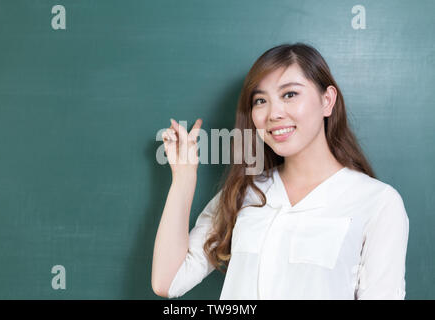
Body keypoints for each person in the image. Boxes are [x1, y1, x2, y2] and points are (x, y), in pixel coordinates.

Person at [151, 43, 410, 300]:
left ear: (327, 100)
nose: (274, 114)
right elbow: (168, 281)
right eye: (261, 101)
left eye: (289, 95)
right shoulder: (243, 192)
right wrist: (184, 177)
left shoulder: (378, 203)